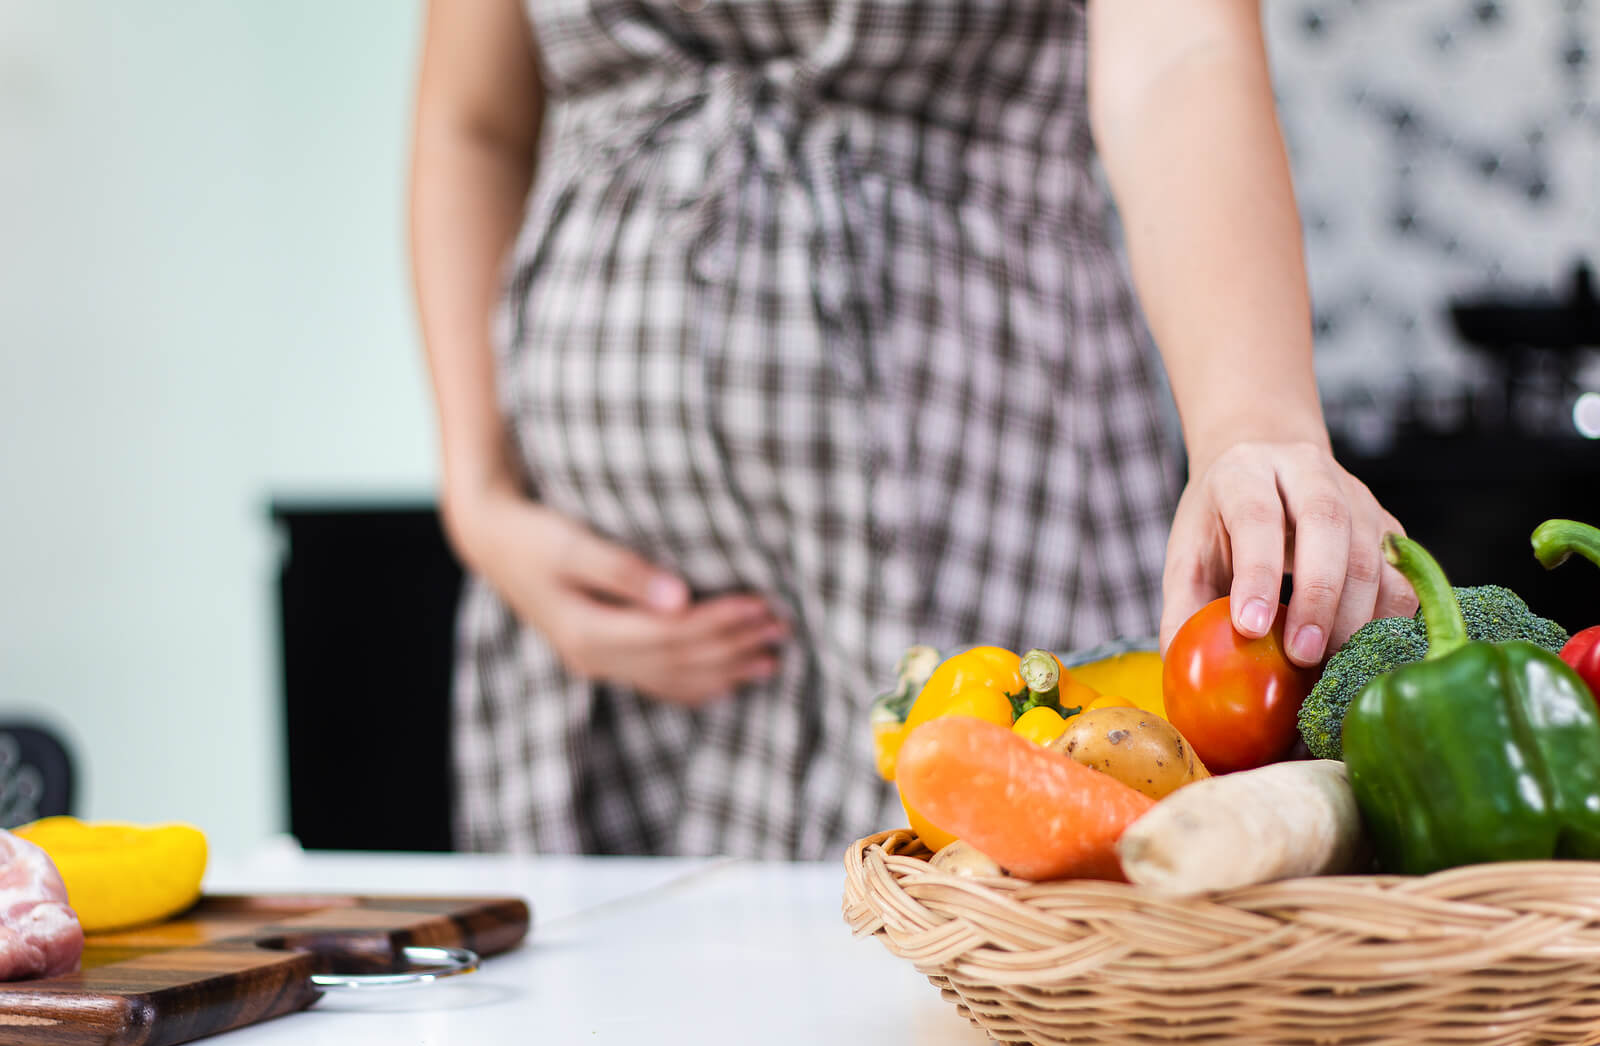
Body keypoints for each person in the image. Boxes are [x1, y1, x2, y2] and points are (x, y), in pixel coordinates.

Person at [409, 0, 1416, 858]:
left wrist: (1252, 422)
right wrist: (479, 493)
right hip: (597, 641)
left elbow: (1177, 53)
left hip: (983, 526)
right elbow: (474, 119)